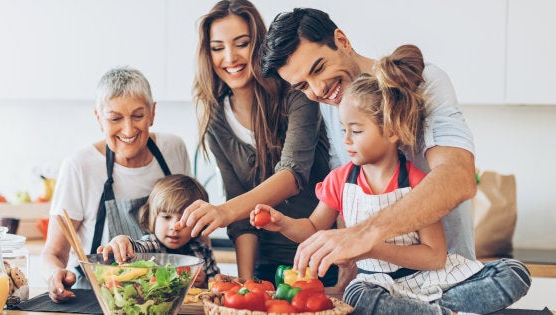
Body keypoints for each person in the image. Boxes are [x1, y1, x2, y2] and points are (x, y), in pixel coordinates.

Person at [252, 44, 530, 314]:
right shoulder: (340, 180)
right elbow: (313, 228)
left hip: (431, 279)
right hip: (380, 285)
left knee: (514, 273)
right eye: (343, 130)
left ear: (392, 131)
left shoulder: (420, 185)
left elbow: (434, 257)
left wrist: (371, 244)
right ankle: (443, 312)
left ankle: (428, 309)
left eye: (357, 131)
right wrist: (282, 223)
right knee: (358, 296)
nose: (346, 140)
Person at [256, 7, 483, 280]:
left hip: (448, 277)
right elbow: (346, 201)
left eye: (318, 68)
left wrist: (364, 236)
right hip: (376, 282)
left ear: (342, 40)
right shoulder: (334, 103)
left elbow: (458, 177)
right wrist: (346, 280)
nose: (318, 91)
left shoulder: (425, 82)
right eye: (302, 86)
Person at [185, 0, 338, 286]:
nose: (229, 57)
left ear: (259, 44)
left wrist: (223, 211)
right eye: (217, 48)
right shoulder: (216, 119)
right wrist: (246, 284)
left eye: (241, 43)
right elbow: (241, 217)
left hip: (322, 259)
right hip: (267, 268)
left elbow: (292, 175)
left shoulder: (297, 93)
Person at [40, 67, 191, 303]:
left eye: (138, 116)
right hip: (98, 299)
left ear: (153, 112)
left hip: (163, 298)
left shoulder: (173, 150)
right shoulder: (79, 166)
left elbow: (193, 225)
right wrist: (54, 276)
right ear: (99, 118)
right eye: (115, 118)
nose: (129, 130)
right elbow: (54, 253)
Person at [98, 174, 220, 288]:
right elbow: (135, 248)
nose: (174, 227)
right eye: (166, 217)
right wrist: (123, 241)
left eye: (184, 220)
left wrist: (205, 281)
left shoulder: (202, 249)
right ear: (152, 218)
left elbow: (217, 283)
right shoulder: (151, 245)